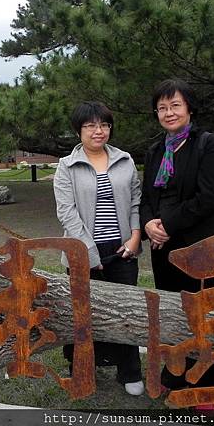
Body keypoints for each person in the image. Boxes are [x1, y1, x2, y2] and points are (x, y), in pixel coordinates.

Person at [139, 78, 214, 404]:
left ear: (189, 107)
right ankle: (174, 377)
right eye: (162, 107)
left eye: (175, 105)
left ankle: (208, 387)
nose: (168, 112)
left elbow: (211, 198)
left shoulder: (210, 145)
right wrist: (149, 222)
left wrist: (167, 223)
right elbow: (148, 196)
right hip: (164, 250)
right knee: (174, 317)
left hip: (202, 249)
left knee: (203, 319)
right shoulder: (155, 151)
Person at [53, 101, 144, 396]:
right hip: (81, 251)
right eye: (90, 125)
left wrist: (134, 237)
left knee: (126, 312)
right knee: (81, 314)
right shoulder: (67, 166)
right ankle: (81, 368)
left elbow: (135, 203)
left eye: (104, 125)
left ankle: (129, 371)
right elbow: (67, 213)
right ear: (78, 130)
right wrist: (89, 255)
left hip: (122, 251)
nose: (98, 131)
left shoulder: (125, 161)